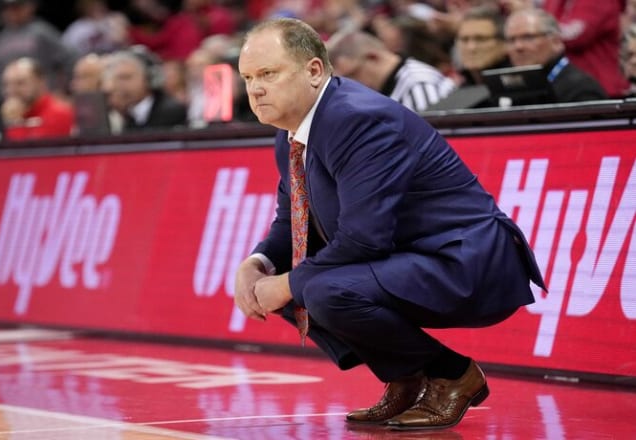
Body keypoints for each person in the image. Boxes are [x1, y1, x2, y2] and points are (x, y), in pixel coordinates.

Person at [234, 18, 546, 431]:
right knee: (296, 281)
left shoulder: (358, 120)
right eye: (248, 78)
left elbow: (365, 238)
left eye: (268, 74)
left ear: (313, 71)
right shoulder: (291, 130)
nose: (255, 89)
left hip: (465, 259)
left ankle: (453, 375)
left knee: (320, 288)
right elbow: (293, 219)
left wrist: (287, 284)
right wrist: (257, 265)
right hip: (409, 255)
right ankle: (408, 378)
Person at [327, 29, 456, 112]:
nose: (349, 86)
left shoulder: (417, 84)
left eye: (351, 75)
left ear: (373, 57)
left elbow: (434, 145)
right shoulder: (395, 86)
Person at [504, 8, 608, 102]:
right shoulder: (508, 89)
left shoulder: (582, 90)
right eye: (511, 40)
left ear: (556, 41)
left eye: (528, 37)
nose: (518, 47)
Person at [0, 0, 77, 94]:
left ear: (30, 7)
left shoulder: (42, 32)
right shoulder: (0, 39)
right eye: (7, 8)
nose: (11, 11)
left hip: (43, 97)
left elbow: (70, 59)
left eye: (16, 7)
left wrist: (62, 90)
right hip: (13, 100)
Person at [106, 47, 187, 132]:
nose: (120, 85)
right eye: (117, 79)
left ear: (149, 79)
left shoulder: (171, 112)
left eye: (126, 77)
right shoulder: (122, 112)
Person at [0, 57, 74, 140]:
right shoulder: (9, 115)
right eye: (7, 85)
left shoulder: (60, 114)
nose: (11, 90)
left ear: (41, 82)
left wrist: (15, 124)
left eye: (20, 83)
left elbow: (30, 150)